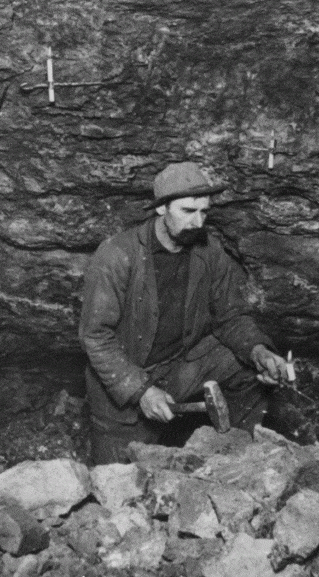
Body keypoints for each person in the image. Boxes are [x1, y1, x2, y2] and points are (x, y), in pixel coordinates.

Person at [79, 161, 289, 464]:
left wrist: (260, 352)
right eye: (188, 211)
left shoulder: (209, 251)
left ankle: (237, 459)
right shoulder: (117, 255)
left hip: (180, 367)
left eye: (204, 212)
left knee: (245, 367)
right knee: (118, 482)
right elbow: (96, 337)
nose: (198, 222)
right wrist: (140, 391)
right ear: (161, 208)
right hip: (124, 384)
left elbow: (231, 316)